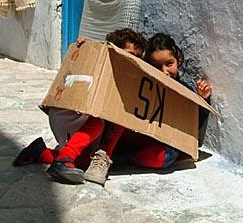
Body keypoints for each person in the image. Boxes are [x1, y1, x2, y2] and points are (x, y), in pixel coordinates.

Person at [12, 28, 146, 184]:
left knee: (83, 164)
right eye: (127, 54)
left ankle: (41, 152)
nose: (130, 60)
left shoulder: (126, 77)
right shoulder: (101, 63)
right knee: (101, 121)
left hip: (79, 119)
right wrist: (84, 47)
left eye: (136, 57)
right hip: (69, 113)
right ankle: (63, 159)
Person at [85, 32, 212, 186]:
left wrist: (203, 99)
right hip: (124, 138)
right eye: (156, 67)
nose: (164, 72)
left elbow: (192, 126)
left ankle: (128, 159)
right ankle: (104, 156)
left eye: (169, 64)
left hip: (150, 146)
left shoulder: (183, 91)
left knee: (169, 156)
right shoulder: (139, 84)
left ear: (178, 60)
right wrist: (86, 47)